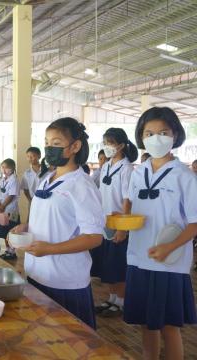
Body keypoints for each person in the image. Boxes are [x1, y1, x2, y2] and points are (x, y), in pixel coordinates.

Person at [9, 117, 104, 329]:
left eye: (57, 143)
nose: (49, 148)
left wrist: (51, 249)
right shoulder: (48, 178)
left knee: (70, 343)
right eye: (47, 143)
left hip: (64, 280)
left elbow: (94, 237)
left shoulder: (82, 185)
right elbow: (49, 217)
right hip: (37, 273)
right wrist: (26, 227)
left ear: (75, 146)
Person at [125, 107, 197, 359]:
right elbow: (131, 206)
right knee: (146, 323)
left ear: (175, 135)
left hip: (168, 262)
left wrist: (170, 246)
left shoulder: (185, 177)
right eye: (149, 133)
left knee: (169, 327)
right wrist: (121, 227)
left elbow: (195, 222)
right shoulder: (138, 172)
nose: (156, 138)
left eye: (163, 132)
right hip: (138, 257)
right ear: (141, 137)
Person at [93, 128, 137, 318]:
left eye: (110, 142)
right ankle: (111, 298)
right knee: (108, 265)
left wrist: (123, 228)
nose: (107, 146)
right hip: (105, 222)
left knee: (118, 265)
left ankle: (121, 301)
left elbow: (128, 200)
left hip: (118, 223)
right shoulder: (106, 165)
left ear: (121, 145)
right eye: (105, 142)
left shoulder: (127, 168)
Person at [0, 159, 20, 260]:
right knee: (5, 232)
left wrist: (3, 205)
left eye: (6, 167)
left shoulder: (14, 179)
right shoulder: (3, 179)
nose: (4, 170)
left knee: (11, 231)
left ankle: (12, 252)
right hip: (4, 210)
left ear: (12, 168)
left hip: (11, 210)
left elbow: (11, 195)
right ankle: (7, 251)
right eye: (3, 167)